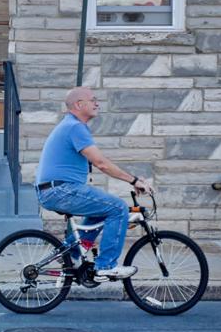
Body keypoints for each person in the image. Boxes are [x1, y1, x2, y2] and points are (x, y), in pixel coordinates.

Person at [35, 86, 153, 280]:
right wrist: (134, 180)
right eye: (93, 99)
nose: (97, 103)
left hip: (56, 189)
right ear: (79, 104)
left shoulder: (72, 126)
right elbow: (101, 163)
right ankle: (105, 266)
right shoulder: (75, 127)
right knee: (118, 208)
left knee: (101, 210)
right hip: (61, 190)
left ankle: (70, 255)